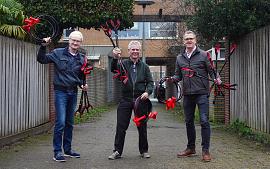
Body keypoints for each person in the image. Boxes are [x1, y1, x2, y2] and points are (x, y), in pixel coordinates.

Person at [37, 31, 88, 162]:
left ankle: (68, 149)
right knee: (60, 122)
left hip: (73, 92)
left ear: (81, 42)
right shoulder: (57, 53)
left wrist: (83, 85)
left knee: (70, 122)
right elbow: (41, 59)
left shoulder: (82, 58)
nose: (75, 43)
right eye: (73, 40)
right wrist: (43, 46)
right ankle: (57, 151)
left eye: (78, 41)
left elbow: (82, 76)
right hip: (61, 92)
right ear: (69, 40)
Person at [171, 31, 221, 162]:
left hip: (202, 93)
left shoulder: (204, 55)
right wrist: (172, 79)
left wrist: (217, 78)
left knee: (204, 121)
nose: (189, 41)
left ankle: (205, 151)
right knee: (188, 122)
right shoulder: (179, 58)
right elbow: (178, 75)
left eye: (191, 38)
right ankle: (191, 148)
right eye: (186, 39)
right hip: (187, 94)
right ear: (183, 41)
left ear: (195, 40)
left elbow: (212, 72)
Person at [108, 41, 154, 160]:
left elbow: (150, 83)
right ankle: (117, 151)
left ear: (140, 51)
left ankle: (144, 150)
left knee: (142, 126)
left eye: (137, 50)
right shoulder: (122, 64)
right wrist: (114, 57)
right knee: (121, 126)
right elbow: (113, 69)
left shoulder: (145, 67)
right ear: (128, 51)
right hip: (126, 99)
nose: (135, 52)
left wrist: (147, 92)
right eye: (132, 49)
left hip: (140, 100)